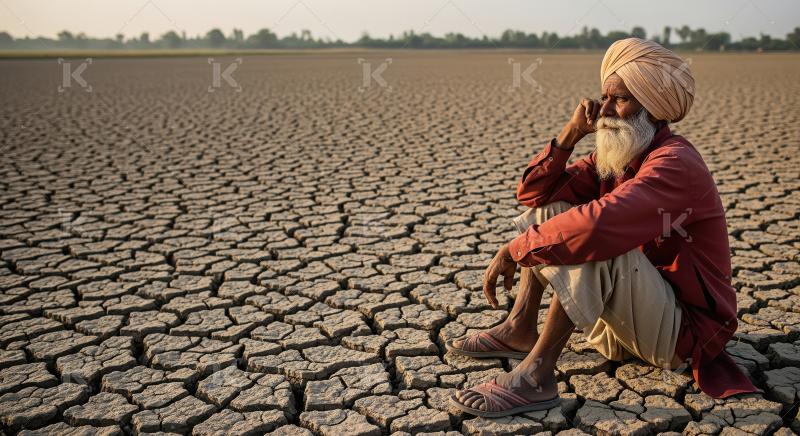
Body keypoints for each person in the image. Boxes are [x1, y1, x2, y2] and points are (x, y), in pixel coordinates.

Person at [447, 38, 758, 418]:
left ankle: (535, 378)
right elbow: (534, 193)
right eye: (603, 97)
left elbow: (597, 226)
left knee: (593, 237)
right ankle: (520, 327)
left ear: (653, 107)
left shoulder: (675, 164)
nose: (605, 110)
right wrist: (572, 133)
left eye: (621, 99)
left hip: (681, 335)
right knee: (555, 211)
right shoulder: (618, 155)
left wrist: (515, 249)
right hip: (632, 323)